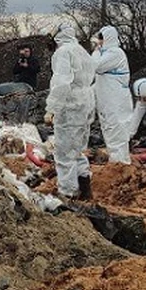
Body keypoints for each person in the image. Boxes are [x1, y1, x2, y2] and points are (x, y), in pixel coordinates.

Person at [42, 23, 95, 201]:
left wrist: (51, 108)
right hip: (85, 103)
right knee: (78, 150)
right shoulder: (81, 51)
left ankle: (68, 193)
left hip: (70, 106)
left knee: (64, 153)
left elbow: (61, 82)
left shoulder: (63, 53)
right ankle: (85, 188)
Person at [91, 26, 133, 164]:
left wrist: (96, 51)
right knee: (110, 132)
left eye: (101, 39)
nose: (99, 42)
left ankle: (121, 164)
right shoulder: (107, 54)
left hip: (116, 104)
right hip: (108, 104)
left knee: (117, 133)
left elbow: (95, 66)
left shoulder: (115, 53)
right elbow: (99, 80)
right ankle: (117, 163)